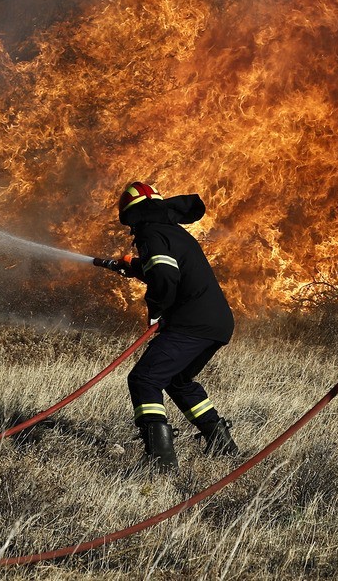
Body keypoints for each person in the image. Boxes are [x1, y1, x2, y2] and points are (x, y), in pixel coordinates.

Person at [108, 180, 240, 469]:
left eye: (130, 221)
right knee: (178, 381)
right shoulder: (171, 232)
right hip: (216, 323)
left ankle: (161, 461)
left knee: (145, 379)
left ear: (135, 214)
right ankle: (222, 445)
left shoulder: (152, 233)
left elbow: (166, 278)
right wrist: (134, 267)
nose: (131, 229)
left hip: (191, 322)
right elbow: (165, 269)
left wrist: (156, 309)